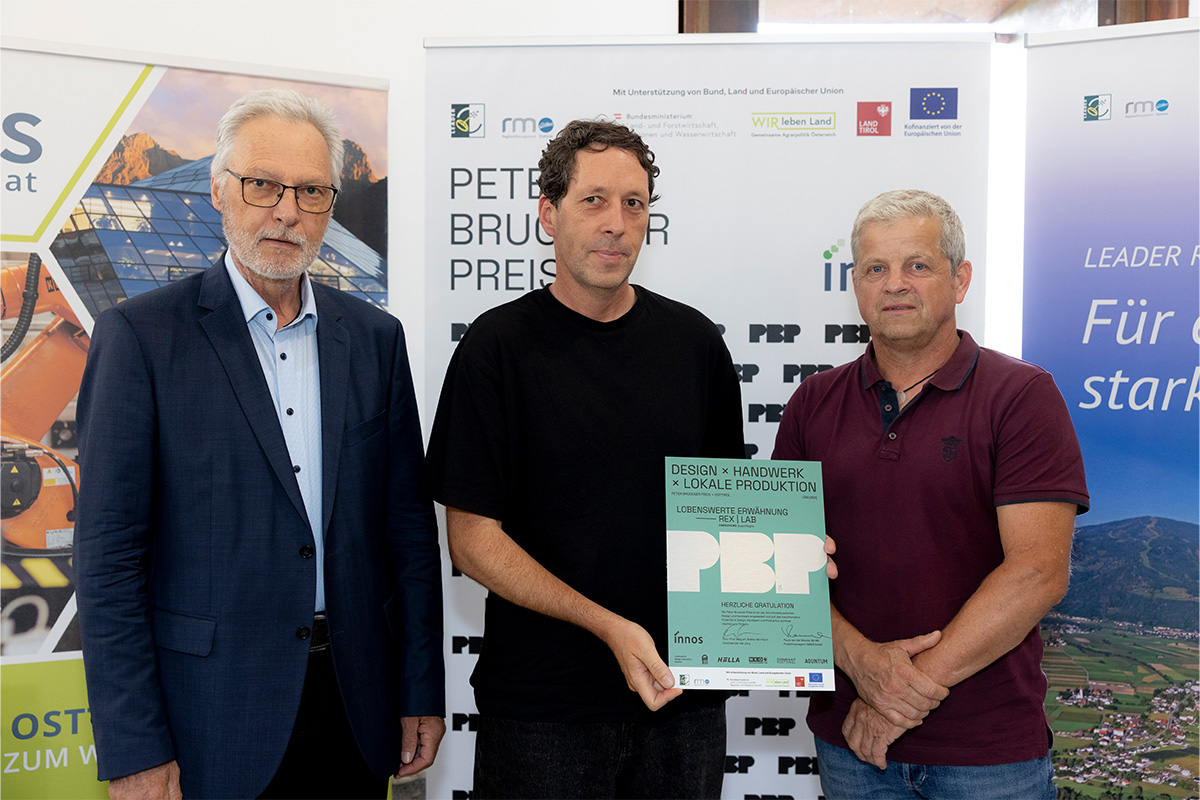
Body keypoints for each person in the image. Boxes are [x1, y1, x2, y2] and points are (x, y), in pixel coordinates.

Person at [74, 89, 445, 800]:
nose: (286, 211)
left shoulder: (375, 339)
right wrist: (135, 748)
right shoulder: (140, 339)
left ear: (330, 205)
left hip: (355, 710)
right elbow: (108, 561)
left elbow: (407, 533)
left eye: (310, 191)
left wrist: (419, 687)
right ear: (219, 191)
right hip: (206, 721)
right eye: (262, 185)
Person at [421, 120, 744, 798]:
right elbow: (472, 541)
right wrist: (608, 627)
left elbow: (728, 516)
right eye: (593, 200)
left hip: (682, 703)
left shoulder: (695, 344)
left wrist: (785, 559)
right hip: (544, 714)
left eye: (634, 203)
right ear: (549, 213)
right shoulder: (496, 348)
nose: (616, 223)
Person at [773, 189, 1089, 799]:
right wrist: (863, 663)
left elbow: (1038, 571)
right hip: (850, 747)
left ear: (959, 279)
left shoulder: (1021, 396)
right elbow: (780, 567)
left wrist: (893, 697)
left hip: (987, 754)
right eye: (875, 268)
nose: (895, 283)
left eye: (917, 265)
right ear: (856, 285)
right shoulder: (813, 403)